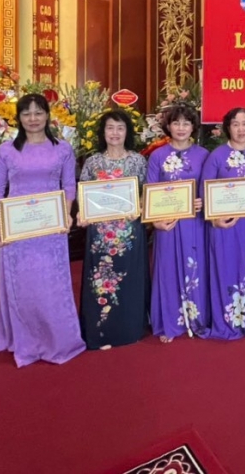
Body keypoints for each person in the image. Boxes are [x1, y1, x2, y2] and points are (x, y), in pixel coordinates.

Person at [0, 93, 84, 367]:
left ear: (48, 116)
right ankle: (27, 342)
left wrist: (66, 212)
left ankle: (58, 339)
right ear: (18, 118)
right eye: (27, 113)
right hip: (17, 229)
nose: (33, 118)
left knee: (52, 286)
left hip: (51, 228)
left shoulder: (62, 149)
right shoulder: (6, 151)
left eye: (38, 112)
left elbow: (69, 185)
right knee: (24, 288)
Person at [77, 109, 148, 350]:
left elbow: (146, 193)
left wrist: (140, 207)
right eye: (110, 128)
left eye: (120, 128)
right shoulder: (92, 162)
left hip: (129, 232)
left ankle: (130, 328)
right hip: (100, 234)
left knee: (129, 279)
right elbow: (84, 195)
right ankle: (100, 330)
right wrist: (82, 213)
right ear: (103, 132)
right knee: (101, 280)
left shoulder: (138, 161)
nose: (115, 133)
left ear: (127, 132)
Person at [147, 103, 209, 342]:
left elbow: (209, 188)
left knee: (195, 269)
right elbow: (150, 191)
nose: (181, 128)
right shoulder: (157, 155)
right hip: (167, 224)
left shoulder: (203, 155)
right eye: (176, 123)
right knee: (168, 270)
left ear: (193, 126)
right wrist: (155, 222)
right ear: (168, 126)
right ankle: (169, 322)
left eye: (186, 123)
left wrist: (203, 201)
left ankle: (196, 318)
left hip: (194, 223)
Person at [200, 107, 245, 340]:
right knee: (224, 269)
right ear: (228, 127)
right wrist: (214, 219)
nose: (241, 129)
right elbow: (204, 190)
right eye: (235, 124)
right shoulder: (216, 156)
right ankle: (226, 321)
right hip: (223, 226)